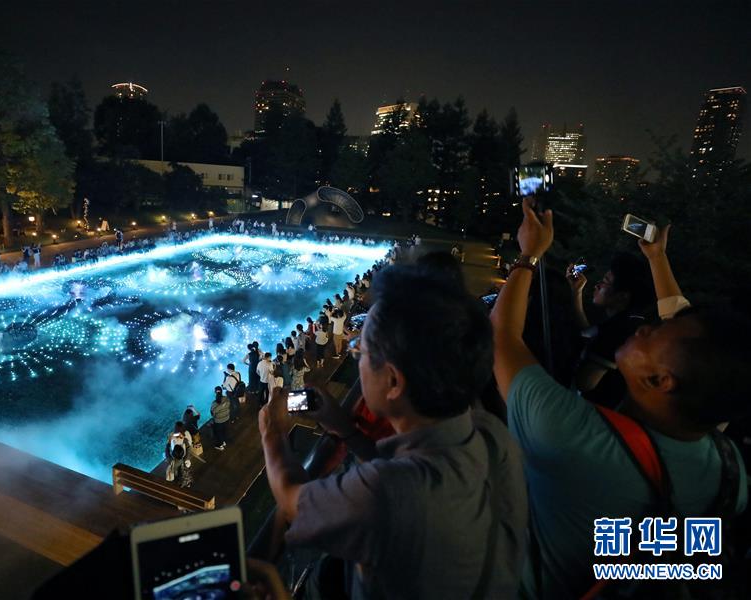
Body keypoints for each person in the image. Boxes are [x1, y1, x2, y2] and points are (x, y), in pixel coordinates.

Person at [490, 201, 749, 598]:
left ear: (661, 380)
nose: (646, 328)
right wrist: (657, 259)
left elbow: (502, 336)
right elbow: (687, 334)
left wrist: (529, 256)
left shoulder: (571, 433)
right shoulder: (730, 468)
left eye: (657, 333)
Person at [258, 265, 528, 599]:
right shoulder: (490, 433)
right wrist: (344, 427)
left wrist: (272, 433)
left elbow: (290, 500)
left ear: (394, 381)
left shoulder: (388, 492)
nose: (356, 356)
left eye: (361, 349)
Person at [569, 253, 654, 407]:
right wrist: (576, 292)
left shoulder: (619, 331)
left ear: (622, 296)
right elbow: (590, 335)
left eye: (605, 282)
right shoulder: (629, 322)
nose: (597, 285)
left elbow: (584, 382)